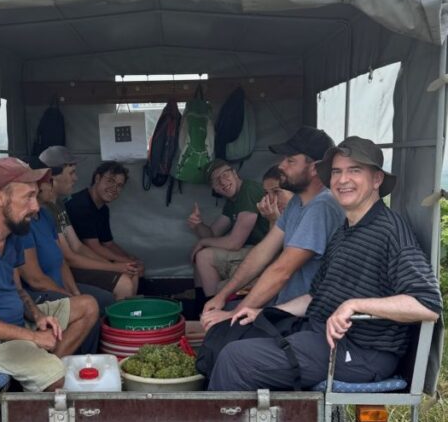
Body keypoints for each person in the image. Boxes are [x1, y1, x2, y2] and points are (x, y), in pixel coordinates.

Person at [208, 137, 442, 391]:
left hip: (362, 353)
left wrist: (354, 305)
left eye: (355, 170)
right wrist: (263, 313)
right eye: (336, 172)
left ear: (377, 180)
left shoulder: (389, 231)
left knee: (237, 360)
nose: (343, 180)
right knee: (229, 334)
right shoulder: (344, 231)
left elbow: (427, 304)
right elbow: (315, 295)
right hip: (320, 334)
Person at [0, 157, 99, 392]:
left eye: (35, 196)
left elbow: (17, 289)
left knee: (88, 306)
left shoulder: (13, 236)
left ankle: (38, 373)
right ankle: (44, 375)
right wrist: (33, 337)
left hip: (17, 324)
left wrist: (37, 317)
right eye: (27, 197)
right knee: (57, 376)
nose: (36, 206)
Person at [201, 126, 344, 330]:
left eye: (290, 161)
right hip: (282, 305)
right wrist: (221, 297)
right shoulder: (297, 203)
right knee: (217, 324)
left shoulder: (322, 207)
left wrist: (234, 313)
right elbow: (262, 253)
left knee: (226, 344)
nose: (281, 166)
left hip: (304, 318)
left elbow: (281, 270)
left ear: (315, 168)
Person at [38, 146, 139, 300]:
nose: (76, 178)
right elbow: (70, 257)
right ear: (52, 175)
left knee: (129, 274)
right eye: (71, 173)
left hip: (71, 266)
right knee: (124, 282)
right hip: (61, 272)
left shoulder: (58, 204)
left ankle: (126, 320)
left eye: (119, 185)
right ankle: (119, 322)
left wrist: (120, 265)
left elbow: (78, 246)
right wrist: (113, 267)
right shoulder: (49, 209)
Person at [187, 159, 268, 308]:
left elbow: (234, 242)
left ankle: (211, 309)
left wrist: (202, 243)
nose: (222, 182)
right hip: (254, 250)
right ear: (214, 189)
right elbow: (212, 234)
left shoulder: (248, 190)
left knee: (204, 255)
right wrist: (198, 225)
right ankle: (199, 309)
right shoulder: (233, 201)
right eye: (216, 181)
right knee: (200, 256)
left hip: (267, 252)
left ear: (235, 174)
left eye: (225, 175)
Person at [65, 160, 145, 285]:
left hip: (89, 257)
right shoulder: (80, 204)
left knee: (132, 272)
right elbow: (93, 246)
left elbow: (108, 244)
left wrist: (130, 259)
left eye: (119, 185)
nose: (114, 189)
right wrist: (124, 263)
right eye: (110, 181)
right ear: (97, 178)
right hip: (73, 263)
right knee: (126, 277)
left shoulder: (102, 209)